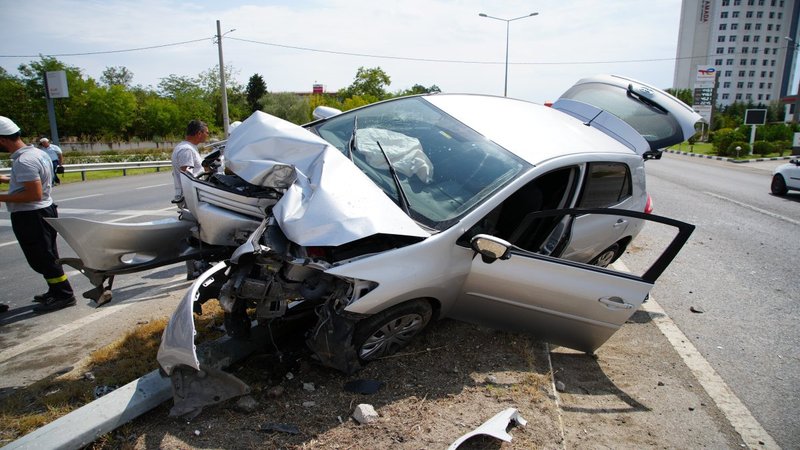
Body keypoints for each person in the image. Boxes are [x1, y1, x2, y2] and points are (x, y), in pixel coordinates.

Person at [0, 116, 75, 313]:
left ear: (3, 139)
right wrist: (6, 179)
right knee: (47, 255)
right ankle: (55, 290)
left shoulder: (25, 161)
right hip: (41, 211)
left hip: (32, 215)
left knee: (43, 258)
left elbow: (33, 193)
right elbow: (31, 182)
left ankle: (63, 294)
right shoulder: (37, 154)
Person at [171, 120, 209, 203]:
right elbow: (186, 176)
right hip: (190, 197)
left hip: (193, 194)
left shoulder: (189, 147)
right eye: (207, 133)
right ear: (199, 133)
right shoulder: (186, 150)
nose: (208, 135)